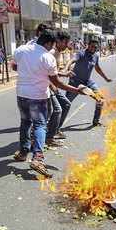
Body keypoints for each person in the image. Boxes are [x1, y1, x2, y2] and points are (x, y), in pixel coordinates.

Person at [13, 29, 85, 178]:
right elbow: (56, 83)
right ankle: (38, 157)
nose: (52, 48)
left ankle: (23, 152)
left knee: (25, 122)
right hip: (38, 96)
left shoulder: (21, 50)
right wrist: (76, 90)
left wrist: (27, 70)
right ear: (48, 43)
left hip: (21, 94)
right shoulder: (47, 57)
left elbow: (14, 66)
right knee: (40, 125)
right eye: (51, 45)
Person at [61, 39, 113, 127]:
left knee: (100, 99)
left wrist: (106, 78)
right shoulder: (81, 53)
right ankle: (55, 127)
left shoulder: (96, 56)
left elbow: (97, 68)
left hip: (87, 82)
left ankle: (96, 121)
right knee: (66, 104)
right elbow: (72, 60)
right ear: (87, 45)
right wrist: (65, 69)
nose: (94, 48)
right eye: (92, 46)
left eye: (95, 47)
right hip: (75, 82)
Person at [46, 31, 73, 146]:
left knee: (66, 104)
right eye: (65, 42)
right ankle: (49, 137)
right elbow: (47, 73)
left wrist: (65, 74)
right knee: (57, 110)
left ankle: (55, 130)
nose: (67, 45)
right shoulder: (52, 53)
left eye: (68, 42)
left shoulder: (58, 53)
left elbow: (55, 72)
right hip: (48, 86)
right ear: (58, 41)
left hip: (53, 85)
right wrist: (53, 86)